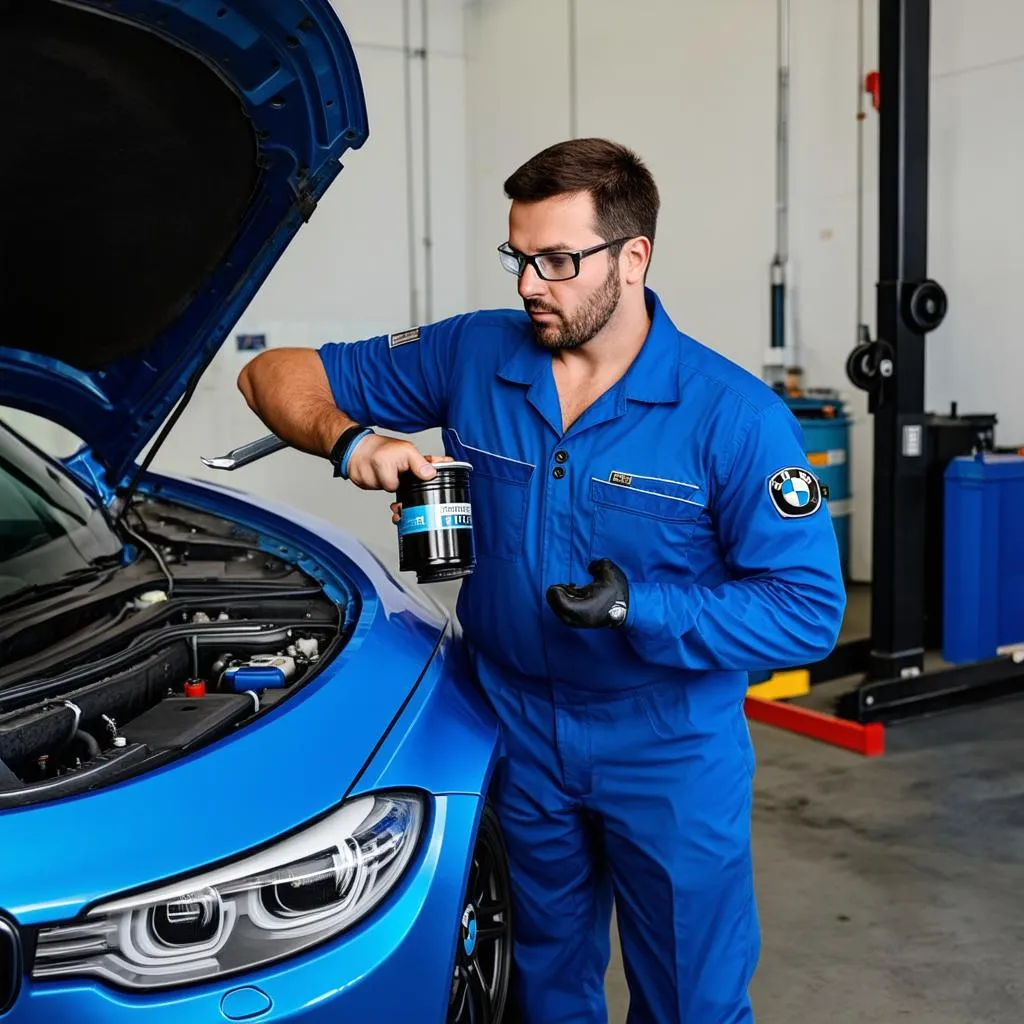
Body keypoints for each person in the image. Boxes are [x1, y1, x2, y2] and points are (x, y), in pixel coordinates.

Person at [238, 137, 846, 1023]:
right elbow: (271, 374)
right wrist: (351, 440)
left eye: (558, 260)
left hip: (667, 746)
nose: (530, 285)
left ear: (633, 258)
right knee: (537, 986)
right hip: (514, 728)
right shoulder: (477, 354)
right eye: (519, 258)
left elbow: (806, 613)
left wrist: (642, 606)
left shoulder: (734, 417)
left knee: (692, 1000)